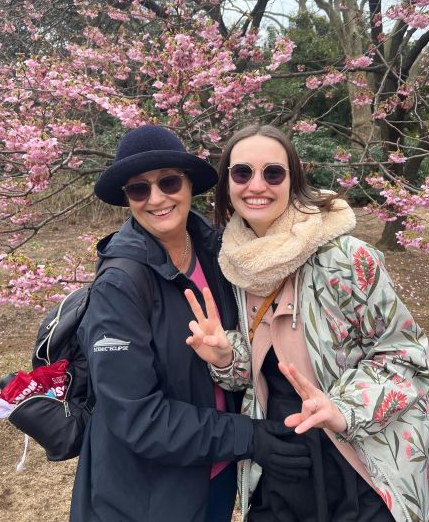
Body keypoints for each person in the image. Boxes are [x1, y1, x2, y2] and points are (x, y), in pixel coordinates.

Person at [186, 124, 429, 522]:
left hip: (361, 459)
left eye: (273, 173)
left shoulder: (346, 257)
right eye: (242, 173)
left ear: (294, 182)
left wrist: (341, 407)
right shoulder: (235, 266)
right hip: (283, 458)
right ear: (227, 185)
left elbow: (406, 356)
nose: (256, 185)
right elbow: (263, 365)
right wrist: (226, 356)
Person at [70, 124, 313, 522]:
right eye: (139, 189)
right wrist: (248, 436)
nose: (156, 198)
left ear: (187, 185)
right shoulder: (120, 285)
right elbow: (136, 416)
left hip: (214, 473)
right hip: (148, 494)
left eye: (168, 182)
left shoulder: (218, 252)